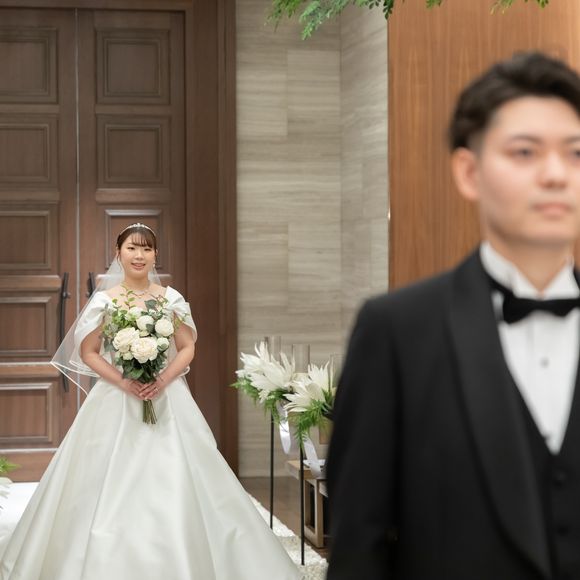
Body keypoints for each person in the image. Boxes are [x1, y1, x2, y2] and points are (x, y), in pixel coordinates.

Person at [326, 51, 580, 580]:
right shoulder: (396, 331)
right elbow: (359, 545)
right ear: (469, 172)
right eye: (526, 152)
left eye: (575, 153)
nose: (556, 174)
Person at [0, 223, 302, 580]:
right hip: (115, 397)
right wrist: (124, 382)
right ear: (118, 254)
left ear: (156, 255)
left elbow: (187, 346)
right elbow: (89, 351)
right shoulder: (106, 301)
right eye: (132, 248)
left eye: (146, 249)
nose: (139, 255)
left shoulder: (170, 298)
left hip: (166, 395)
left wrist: (162, 378)